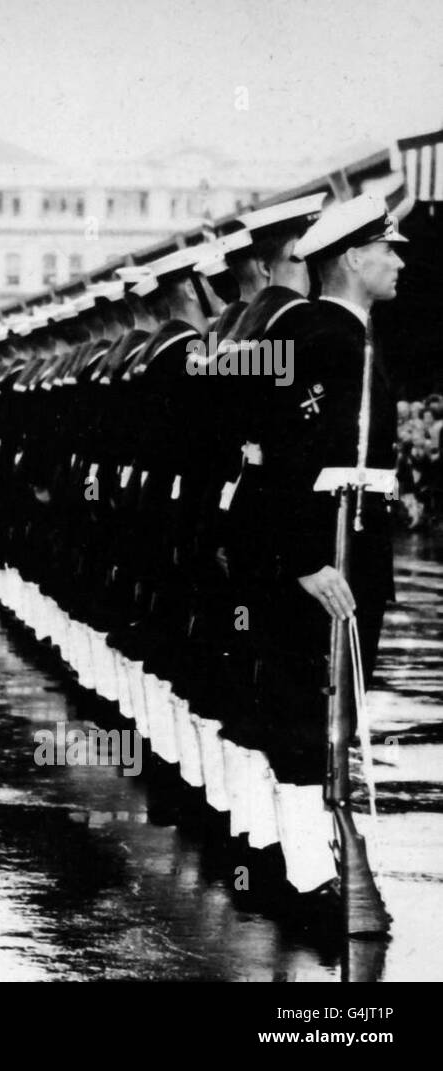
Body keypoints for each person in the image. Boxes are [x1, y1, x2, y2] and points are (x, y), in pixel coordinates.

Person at [254, 193, 406, 903]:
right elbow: (271, 461)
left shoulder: (357, 338)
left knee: (336, 711)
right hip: (324, 560)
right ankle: (308, 875)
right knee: (304, 710)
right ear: (352, 255)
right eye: (388, 248)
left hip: (358, 555)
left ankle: (318, 861)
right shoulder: (319, 339)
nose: (399, 260)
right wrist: (302, 561)